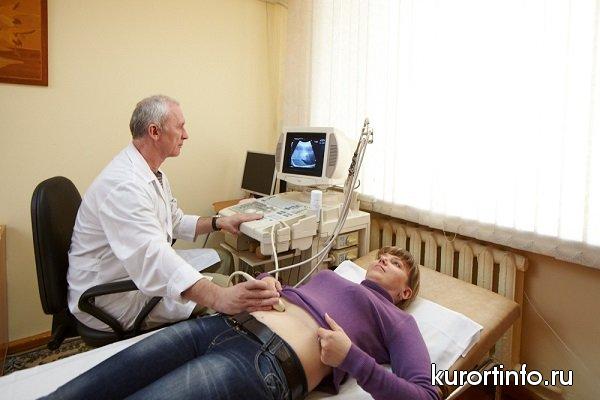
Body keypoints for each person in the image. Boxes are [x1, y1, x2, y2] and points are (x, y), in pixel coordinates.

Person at [46, 246, 440, 400]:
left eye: (396, 263)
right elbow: (287, 295)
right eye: (384, 255)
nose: (384, 259)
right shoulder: (334, 276)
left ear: (405, 291)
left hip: (262, 361)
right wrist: (268, 285)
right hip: (219, 325)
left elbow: (425, 396)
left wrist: (352, 358)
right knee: (89, 387)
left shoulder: (399, 323)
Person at [67, 95, 280, 332]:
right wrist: (220, 297)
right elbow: (152, 257)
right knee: (224, 288)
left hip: (131, 273)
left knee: (223, 259)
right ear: (155, 132)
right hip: (112, 299)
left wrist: (220, 222)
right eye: (180, 127)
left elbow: (174, 220)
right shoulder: (124, 186)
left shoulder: (152, 172)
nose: (185, 135)